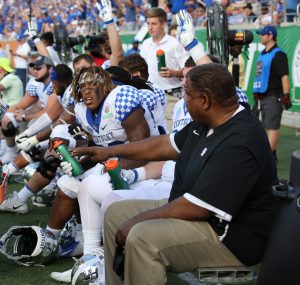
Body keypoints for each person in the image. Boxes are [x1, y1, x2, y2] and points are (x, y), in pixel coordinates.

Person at [72, 63, 280, 285]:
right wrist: (106, 151)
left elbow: (197, 207)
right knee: (116, 213)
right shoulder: (208, 122)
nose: (183, 102)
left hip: (229, 239)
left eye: (187, 96)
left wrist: (137, 220)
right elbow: (162, 145)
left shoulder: (240, 139)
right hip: (201, 216)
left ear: (205, 100)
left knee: (142, 237)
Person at [139, 7, 189, 127]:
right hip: (150, 97)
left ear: (163, 24)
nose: (150, 27)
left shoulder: (175, 43)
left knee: (171, 136)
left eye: (154, 24)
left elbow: (188, 70)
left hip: (171, 97)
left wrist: (174, 73)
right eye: (148, 23)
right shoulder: (145, 44)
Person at [0, 55, 54, 163]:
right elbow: (38, 106)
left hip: (56, 122)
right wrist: (24, 113)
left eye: (38, 68)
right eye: (33, 68)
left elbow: (49, 112)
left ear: (50, 69)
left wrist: (25, 116)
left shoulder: (54, 84)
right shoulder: (39, 84)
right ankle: (11, 152)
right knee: (8, 118)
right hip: (41, 118)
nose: (34, 71)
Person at [253, 26, 291, 160]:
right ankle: (263, 156)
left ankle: (269, 158)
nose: (260, 36)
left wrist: (286, 95)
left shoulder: (278, 54)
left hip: (273, 96)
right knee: (260, 127)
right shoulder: (262, 54)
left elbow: (284, 76)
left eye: (262, 34)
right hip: (260, 97)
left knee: (272, 127)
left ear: (270, 36)